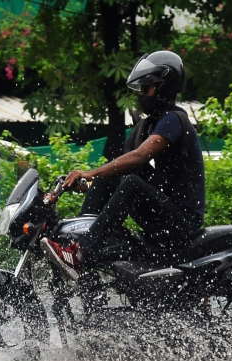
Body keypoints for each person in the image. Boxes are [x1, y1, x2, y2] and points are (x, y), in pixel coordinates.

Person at [41, 50, 205, 280]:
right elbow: (119, 166)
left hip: (181, 223)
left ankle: (80, 253)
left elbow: (139, 157)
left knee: (131, 184)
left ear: (164, 87)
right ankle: (83, 243)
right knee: (113, 174)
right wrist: (88, 183)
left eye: (146, 88)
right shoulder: (147, 126)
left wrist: (89, 172)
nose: (141, 96)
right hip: (161, 212)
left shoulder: (175, 120)